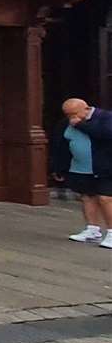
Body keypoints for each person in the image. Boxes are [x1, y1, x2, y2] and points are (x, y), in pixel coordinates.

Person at [54, 98, 112, 247]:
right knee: (87, 196)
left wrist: (81, 125)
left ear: (85, 108)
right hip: (81, 167)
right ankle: (92, 230)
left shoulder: (105, 117)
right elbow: (61, 144)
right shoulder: (66, 123)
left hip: (104, 166)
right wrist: (58, 167)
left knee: (105, 198)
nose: (71, 117)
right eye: (67, 114)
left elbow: (106, 134)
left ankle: (111, 233)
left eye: (73, 113)